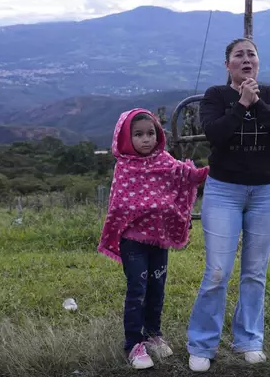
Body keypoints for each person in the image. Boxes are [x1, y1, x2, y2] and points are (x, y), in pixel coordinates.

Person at [186, 38, 270, 372]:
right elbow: (215, 134)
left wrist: (256, 102)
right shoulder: (216, 96)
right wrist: (241, 103)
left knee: (254, 271)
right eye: (238, 55)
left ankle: (249, 338)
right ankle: (202, 344)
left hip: (267, 192)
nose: (245, 59)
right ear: (228, 65)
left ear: (258, 62)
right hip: (224, 192)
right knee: (218, 271)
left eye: (251, 54)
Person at [97, 108, 209, 370]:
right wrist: (147, 208)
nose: (146, 139)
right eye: (138, 134)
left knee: (157, 289)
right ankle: (133, 344)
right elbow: (120, 206)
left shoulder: (165, 160)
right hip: (133, 242)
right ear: (126, 138)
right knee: (138, 290)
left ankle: (153, 334)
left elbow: (185, 175)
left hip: (159, 242)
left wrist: (209, 172)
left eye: (151, 133)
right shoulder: (125, 167)